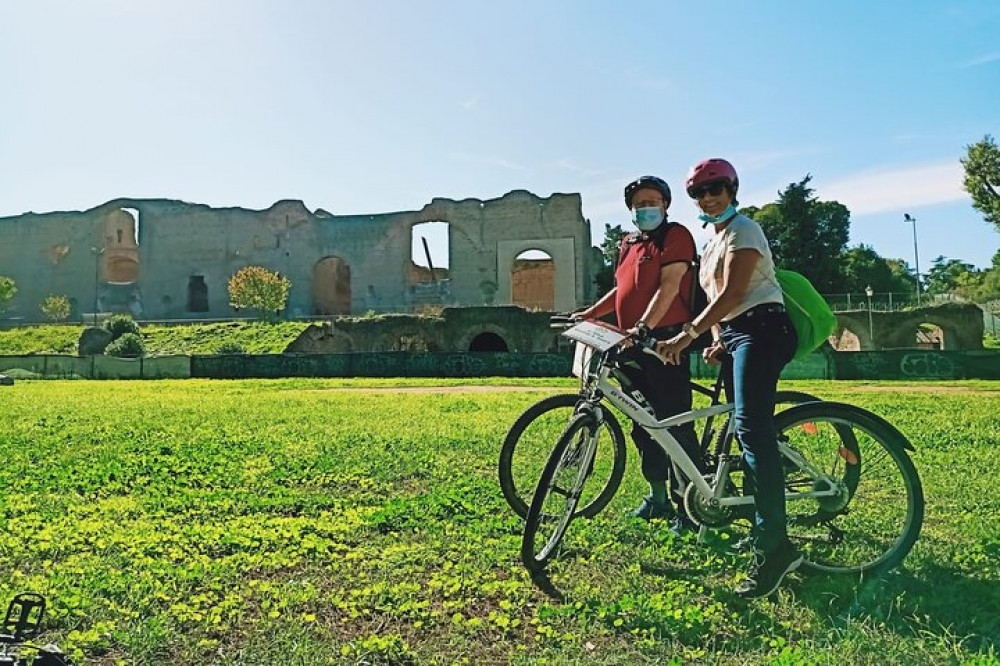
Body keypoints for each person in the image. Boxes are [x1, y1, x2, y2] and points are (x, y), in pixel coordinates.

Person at [655, 158, 800, 598]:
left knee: (752, 430)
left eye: (716, 188)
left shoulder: (745, 230)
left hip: (764, 328)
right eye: (699, 192)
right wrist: (716, 338)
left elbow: (738, 294)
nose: (708, 197)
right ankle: (762, 528)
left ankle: (776, 548)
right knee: (746, 430)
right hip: (737, 332)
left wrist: (688, 335)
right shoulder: (712, 238)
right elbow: (718, 300)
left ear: (732, 188)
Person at [576, 175, 702, 534]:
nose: (645, 208)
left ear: (665, 204)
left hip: (661, 341)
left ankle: (689, 507)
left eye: (652, 202)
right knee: (643, 423)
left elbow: (670, 286)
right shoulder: (629, 242)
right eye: (638, 204)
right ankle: (658, 496)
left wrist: (644, 326)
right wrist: (590, 314)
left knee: (674, 422)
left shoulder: (675, 236)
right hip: (630, 343)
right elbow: (621, 289)